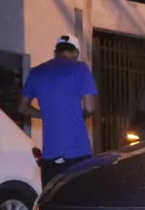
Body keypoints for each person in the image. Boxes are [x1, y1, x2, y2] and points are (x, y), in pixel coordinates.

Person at [19, 35, 99, 187]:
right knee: (80, 203)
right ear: (75, 53)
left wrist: (46, 115)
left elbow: (22, 107)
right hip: (78, 153)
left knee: (53, 203)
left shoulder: (36, 72)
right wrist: (82, 116)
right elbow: (90, 106)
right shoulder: (80, 68)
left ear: (56, 52)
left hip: (50, 156)